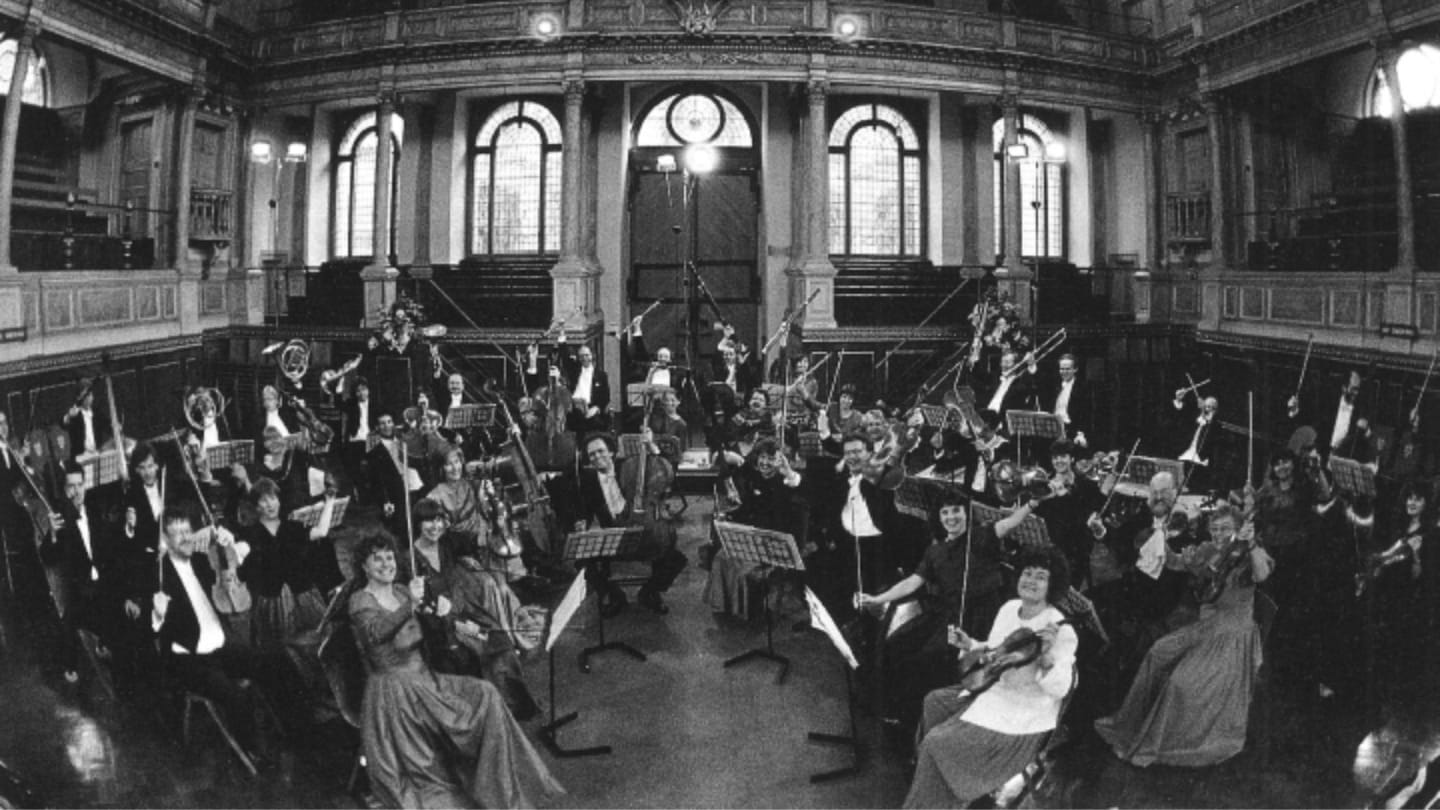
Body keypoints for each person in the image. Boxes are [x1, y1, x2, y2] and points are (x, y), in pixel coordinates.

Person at [348, 530, 563, 809]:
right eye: (377, 559)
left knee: (486, 693)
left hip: (426, 678)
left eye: (389, 557)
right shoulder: (360, 601)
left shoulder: (402, 590)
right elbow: (376, 633)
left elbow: (429, 631)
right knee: (433, 778)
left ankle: (496, 786)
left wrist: (446, 616)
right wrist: (410, 606)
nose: (386, 564)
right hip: (396, 692)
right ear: (364, 566)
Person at [1095, 502, 1273, 767]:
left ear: (1238, 529)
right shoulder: (1209, 550)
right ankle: (1134, 724)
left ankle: (1167, 741)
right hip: (1205, 626)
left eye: (1225, 528)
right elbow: (1177, 563)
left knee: (1182, 684)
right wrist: (1161, 540)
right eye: (1214, 528)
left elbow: (1262, 574)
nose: (1218, 533)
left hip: (1233, 634)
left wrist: (1252, 545)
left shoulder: (1248, 553)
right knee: (1158, 652)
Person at [904, 546, 1077, 808]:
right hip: (993, 691)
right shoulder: (1009, 608)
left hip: (1021, 716)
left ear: (1052, 585)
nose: (1030, 580)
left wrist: (1046, 656)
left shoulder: (1059, 628)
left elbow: (1061, 688)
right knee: (934, 701)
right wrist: (970, 644)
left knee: (934, 744)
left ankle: (934, 791)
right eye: (1027, 573)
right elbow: (999, 650)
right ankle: (938, 784)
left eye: (1040, 576)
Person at [858, 495, 1009, 730]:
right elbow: (912, 582)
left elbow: (1009, 524)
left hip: (978, 617)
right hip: (945, 613)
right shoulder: (935, 550)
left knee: (925, 660)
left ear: (967, 513)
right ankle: (893, 708)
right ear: (938, 518)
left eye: (956, 511)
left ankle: (916, 719)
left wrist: (1030, 504)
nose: (951, 517)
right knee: (897, 642)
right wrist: (878, 598)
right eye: (945, 513)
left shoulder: (981, 538)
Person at [574, 433, 687, 615]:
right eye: (592, 454)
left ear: (611, 452)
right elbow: (584, 510)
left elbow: (667, 468)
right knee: (581, 560)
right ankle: (613, 594)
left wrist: (651, 446)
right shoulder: (588, 481)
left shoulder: (631, 467)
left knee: (675, 559)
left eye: (601, 451)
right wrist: (581, 522)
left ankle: (650, 593)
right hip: (613, 535)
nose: (596, 457)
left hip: (643, 530)